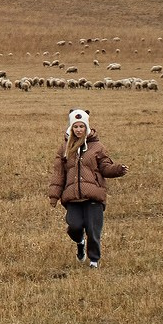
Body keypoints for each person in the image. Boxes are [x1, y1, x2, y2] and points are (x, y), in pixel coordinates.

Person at [47, 108, 125, 268]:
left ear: (87, 127)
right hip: (73, 197)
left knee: (93, 229)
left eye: (81, 126)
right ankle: (80, 242)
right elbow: (58, 173)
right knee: (74, 226)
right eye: (75, 126)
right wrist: (54, 195)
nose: (78, 130)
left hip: (94, 196)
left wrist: (117, 169)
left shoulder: (97, 147)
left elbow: (105, 167)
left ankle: (94, 261)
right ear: (71, 128)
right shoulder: (64, 148)